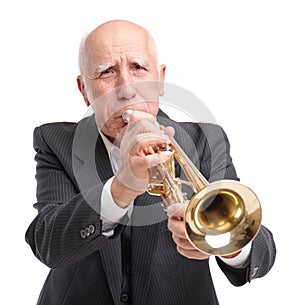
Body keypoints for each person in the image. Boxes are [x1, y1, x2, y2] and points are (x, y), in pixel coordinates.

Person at [25, 19, 276, 305]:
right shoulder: (56, 141)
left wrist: (226, 247)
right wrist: (121, 187)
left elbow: (262, 251)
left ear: (160, 79)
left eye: (138, 68)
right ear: (84, 90)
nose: (126, 89)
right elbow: (47, 244)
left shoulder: (206, 139)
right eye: (106, 72)